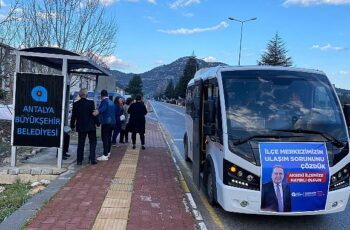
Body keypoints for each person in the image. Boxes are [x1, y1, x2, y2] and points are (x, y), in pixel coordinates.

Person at [70, 88, 99, 165]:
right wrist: (98, 123)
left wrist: (72, 126)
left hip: (81, 126)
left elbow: (73, 116)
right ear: (87, 95)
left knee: (81, 143)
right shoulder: (90, 103)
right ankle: (92, 159)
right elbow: (93, 114)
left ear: (79, 95)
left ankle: (79, 160)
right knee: (92, 142)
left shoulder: (75, 104)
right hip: (90, 126)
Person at [93, 89, 116, 161]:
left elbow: (100, 111)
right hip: (113, 123)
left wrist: (94, 112)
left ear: (101, 95)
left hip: (106, 123)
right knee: (109, 138)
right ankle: (108, 152)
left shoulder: (104, 102)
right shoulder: (111, 102)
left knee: (105, 138)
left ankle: (105, 155)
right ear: (107, 95)